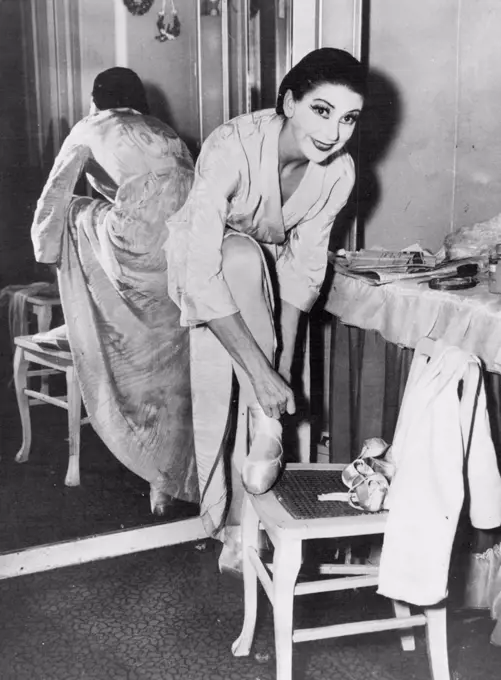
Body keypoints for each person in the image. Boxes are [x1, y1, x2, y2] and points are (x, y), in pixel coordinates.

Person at [165, 48, 366, 552]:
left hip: (268, 274)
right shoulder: (231, 145)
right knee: (238, 258)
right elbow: (203, 265)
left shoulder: (339, 175)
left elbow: (301, 277)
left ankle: (244, 522)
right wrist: (261, 372)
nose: (333, 132)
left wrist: (283, 369)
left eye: (348, 119)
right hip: (202, 260)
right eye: (321, 110)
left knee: (271, 374)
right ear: (290, 101)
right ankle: (243, 503)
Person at [31, 67, 199, 514]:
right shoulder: (165, 130)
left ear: (97, 99)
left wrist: (48, 245)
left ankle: (84, 322)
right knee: (168, 357)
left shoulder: (91, 126)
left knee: (72, 211)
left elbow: (55, 194)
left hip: (134, 244)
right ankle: (167, 480)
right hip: (183, 247)